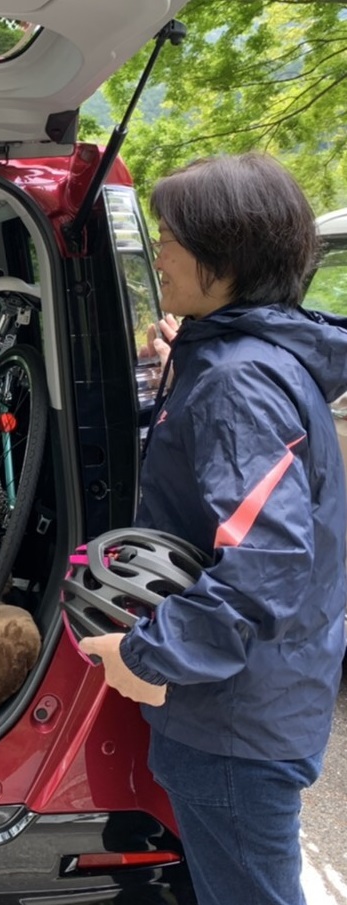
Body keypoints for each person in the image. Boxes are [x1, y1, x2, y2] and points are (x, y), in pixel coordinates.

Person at [79, 152, 347, 905]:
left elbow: (267, 558)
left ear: (221, 255)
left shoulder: (237, 382)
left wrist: (147, 655)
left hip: (235, 721)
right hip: (255, 700)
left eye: (168, 237)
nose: (156, 254)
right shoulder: (243, 361)